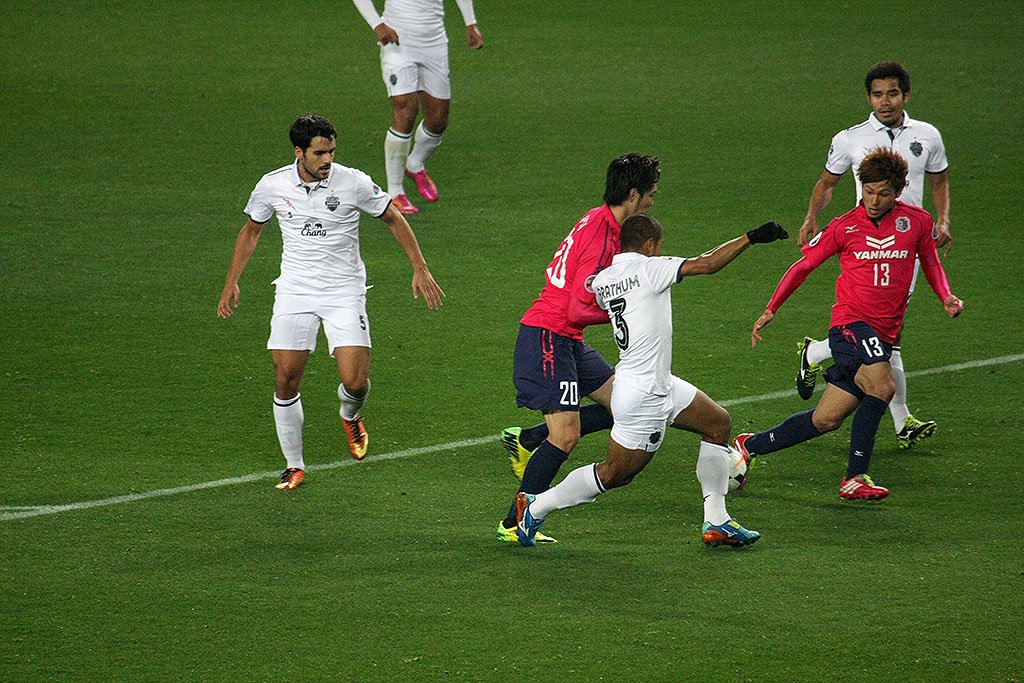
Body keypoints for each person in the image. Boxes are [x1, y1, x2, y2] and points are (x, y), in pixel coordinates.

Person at [515, 214, 788, 549]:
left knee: (718, 423)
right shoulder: (650, 269)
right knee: (616, 473)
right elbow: (707, 263)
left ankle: (717, 520)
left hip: (656, 383)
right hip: (644, 395)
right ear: (649, 245)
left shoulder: (604, 280)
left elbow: (591, 304)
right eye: (659, 245)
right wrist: (750, 237)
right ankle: (535, 507)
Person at [217, 114, 445, 490]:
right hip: (295, 291)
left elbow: (393, 218)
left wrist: (420, 268)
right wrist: (232, 281)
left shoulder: (353, 182)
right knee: (285, 378)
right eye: (319, 153)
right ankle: (294, 465)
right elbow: (252, 230)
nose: (328, 160)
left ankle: (350, 414)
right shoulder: (272, 185)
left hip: (344, 292)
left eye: (332, 152)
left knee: (355, 382)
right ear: (299, 152)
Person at [735, 148, 963, 501]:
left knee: (826, 419)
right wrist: (771, 308)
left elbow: (930, 261)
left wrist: (945, 296)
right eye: (868, 192)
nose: (874, 201)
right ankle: (855, 477)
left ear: (899, 190)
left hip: (883, 334)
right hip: (850, 325)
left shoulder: (916, 222)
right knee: (883, 386)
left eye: (883, 193)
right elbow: (803, 267)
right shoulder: (844, 226)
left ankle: (749, 445)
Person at [495, 153, 661, 544]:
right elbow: (575, 308)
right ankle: (513, 522)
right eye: (650, 194)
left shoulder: (599, 218)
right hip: (548, 336)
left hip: (567, 339)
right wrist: (625, 311)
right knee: (566, 436)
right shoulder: (604, 238)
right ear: (633, 194)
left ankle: (529, 440)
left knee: (625, 404)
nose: (653, 202)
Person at [794, 61, 951, 450]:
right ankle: (902, 419)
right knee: (887, 336)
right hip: (867, 244)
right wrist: (812, 217)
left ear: (906, 95)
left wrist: (943, 220)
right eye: (878, 94)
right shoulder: (850, 139)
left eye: (892, 93)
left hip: (911, 244)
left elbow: (940, 180)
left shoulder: (927, 136)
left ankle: (816, 352)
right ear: (868, 98)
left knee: (889, 333)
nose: (885, 101)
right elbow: (827, 182)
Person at [353, 0, 483, 215]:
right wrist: (377, 24)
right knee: (405, 110)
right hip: (397, 40)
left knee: (438, 121)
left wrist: (470, 23)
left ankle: (414, 164)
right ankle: (395, 192)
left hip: (435, 42)